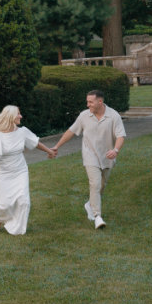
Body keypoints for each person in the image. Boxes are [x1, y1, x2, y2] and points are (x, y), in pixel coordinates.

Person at [50, 89, 126, 229]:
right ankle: (97, 216)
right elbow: (71, 131)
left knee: (102, 185)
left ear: (100, 102)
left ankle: (90, 205)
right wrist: (57, 146)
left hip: (107, 156)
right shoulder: (84, 116)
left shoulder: (113, 116)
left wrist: (115, 150)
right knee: (95, 184)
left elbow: (121, 136)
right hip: (90, 155)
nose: (88, 105)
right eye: (87, 102)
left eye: (90, 102)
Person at [0, 105, 54, 235]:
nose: (21, 116)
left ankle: (17, 229)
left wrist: (49, 151)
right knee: (4, 204)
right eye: (18, 114)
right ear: (11, 117)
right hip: (3, 174)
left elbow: (35, 143)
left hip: (20, 172)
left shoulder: (22, 132)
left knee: (23, 201)